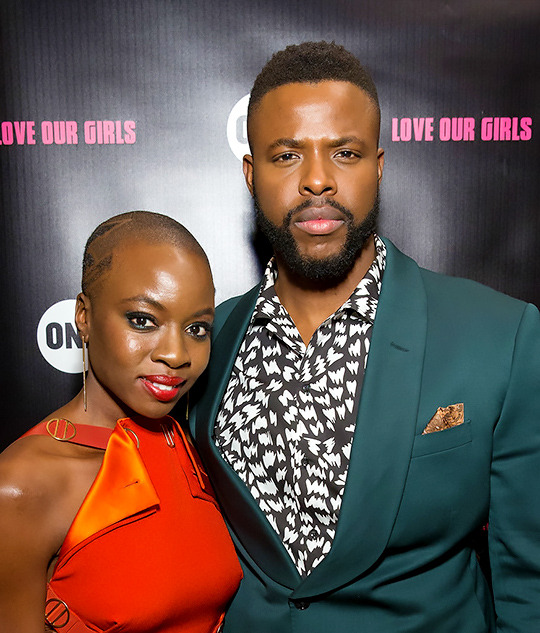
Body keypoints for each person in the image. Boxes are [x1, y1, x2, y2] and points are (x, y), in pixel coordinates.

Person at [190, 41, 540, 632]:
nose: (317, 181)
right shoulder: (203, 343)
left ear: (378, 165)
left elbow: (528, 581)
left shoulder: (501, 336)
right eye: (286, 156)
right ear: (251, 174)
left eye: (344, 153)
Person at [0, 211, 242, 632]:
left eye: (197, 329)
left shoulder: (187, 448)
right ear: (84, 317)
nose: (176, 353)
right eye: (143, 320)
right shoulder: (20, 486)